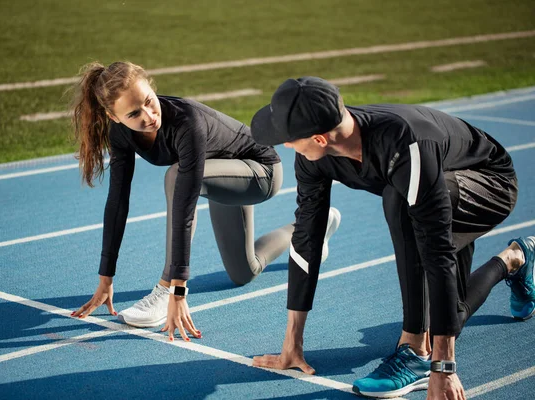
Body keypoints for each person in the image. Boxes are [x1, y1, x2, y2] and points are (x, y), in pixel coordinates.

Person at [249, 76, 534, 399]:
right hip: (433, 186)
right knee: (449, 317)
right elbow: (307, 237)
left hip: (488, 183)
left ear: (319, 138)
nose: (286, 145)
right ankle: (515, 259)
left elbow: (436, 249)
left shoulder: (403, 145)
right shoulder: (315, 156)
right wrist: (292, 344)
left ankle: (415, 353)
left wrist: (443, 367)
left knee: (399, 203)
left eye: (289, 138)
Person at [67, 62, 341, 341]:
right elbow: (117, 202)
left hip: (260, 171)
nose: (149, 116)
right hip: (219, 175)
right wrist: (105, 279)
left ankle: (163, 291)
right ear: (114, 117)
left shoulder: (187, 123)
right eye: (134, 113)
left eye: (149, 102)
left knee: (175, 177)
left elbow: (185, 206)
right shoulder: (121, 134)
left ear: (152, 89)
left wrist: (177, 289)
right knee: (244, 272)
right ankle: (312, 230)